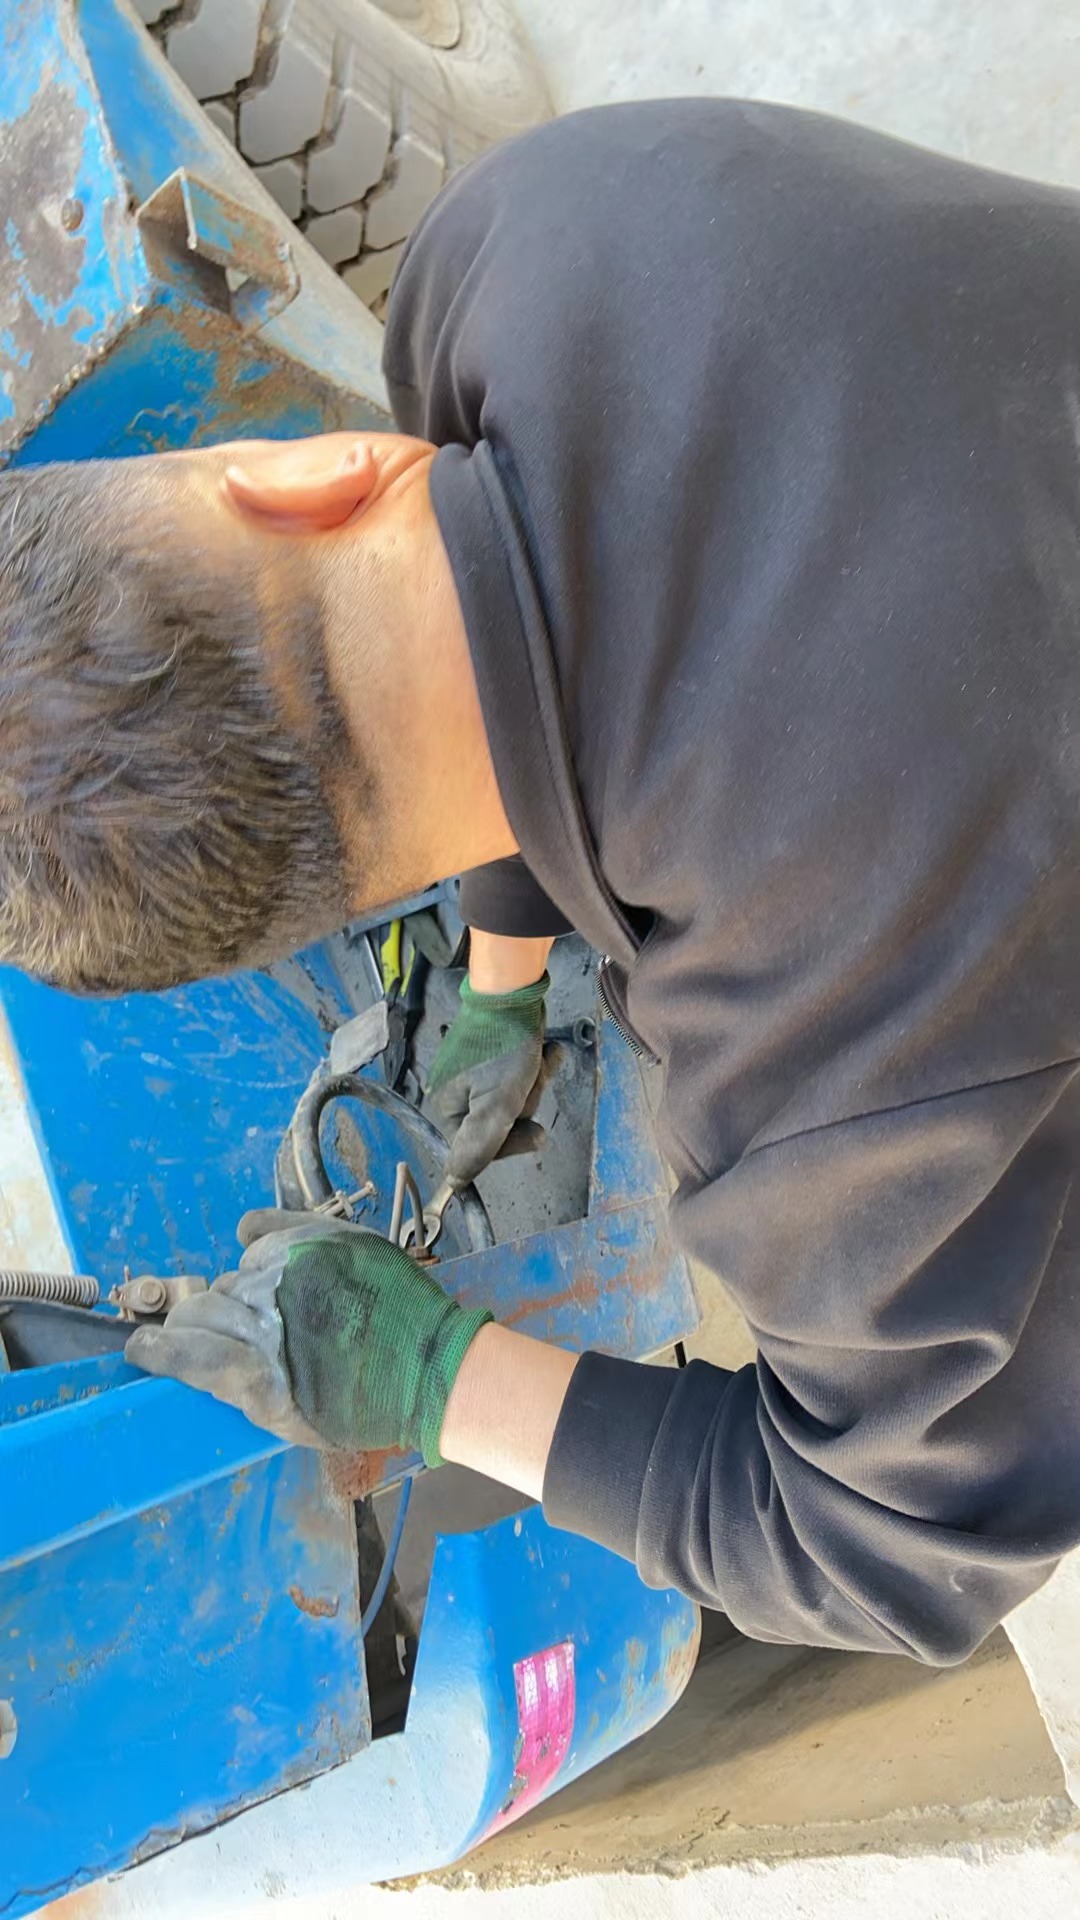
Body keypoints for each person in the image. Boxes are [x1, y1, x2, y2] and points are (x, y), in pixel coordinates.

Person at [1, 100, 1077, 1665]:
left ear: (310, 898)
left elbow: (878, 1553)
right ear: (300, 478)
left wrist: (430, 1377)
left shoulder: (844, 1082)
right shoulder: (532, 238)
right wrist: (500, 975)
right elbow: (497, 591)